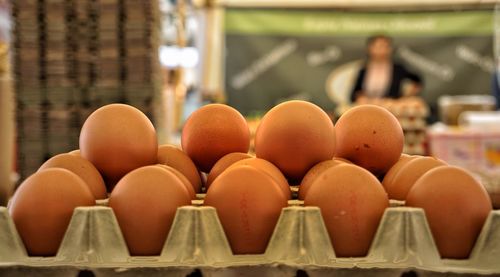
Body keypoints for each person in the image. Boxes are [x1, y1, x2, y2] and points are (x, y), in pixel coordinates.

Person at [350, 35, 423, 102]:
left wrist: (407, 95)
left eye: (385, 46)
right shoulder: (364, 69)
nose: (382, 50)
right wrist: (360, 97)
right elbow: (354, 94)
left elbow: (417, 80)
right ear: (370, 49)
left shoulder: (398, 69)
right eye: (378, 46)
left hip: (391, 108)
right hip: (368, 107)